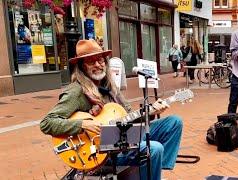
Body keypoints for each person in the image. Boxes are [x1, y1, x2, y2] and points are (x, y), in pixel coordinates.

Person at [39, 39, 183, 180]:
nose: (98, 65)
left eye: (100, 60)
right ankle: (151, 167)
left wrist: (150, 112)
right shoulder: (77, 91)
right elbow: (47, 123)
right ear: (82, 66)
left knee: (173, 122)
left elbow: (129, 117)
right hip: (101, 152)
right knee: (154, 149)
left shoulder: (110, 87)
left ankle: (154, 169)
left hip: (123, 138)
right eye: (91, 61)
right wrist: (83, 125)